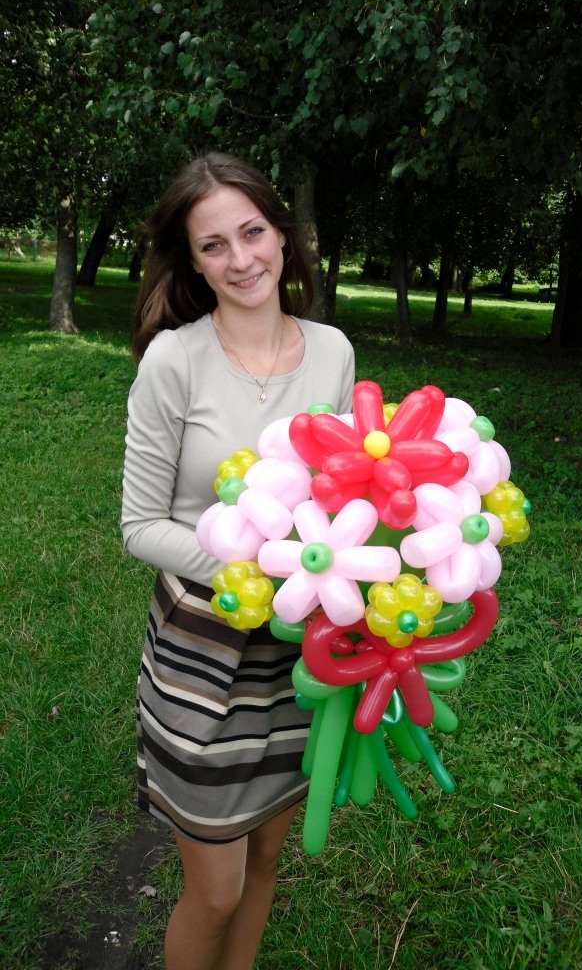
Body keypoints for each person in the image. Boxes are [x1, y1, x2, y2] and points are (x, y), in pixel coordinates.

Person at [121, 151, 355, 970]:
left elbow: (341, 494)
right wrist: (254, 569)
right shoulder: (174, 360)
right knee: (215, 889)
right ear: (193, 262)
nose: (241, 258)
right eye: (213, 245)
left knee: (265, 860)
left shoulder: (333, 352)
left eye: (252, 233)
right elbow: (139, 525)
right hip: (203, 652)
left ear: (283, 235)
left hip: (297, 653)